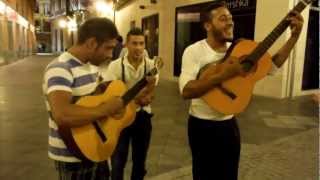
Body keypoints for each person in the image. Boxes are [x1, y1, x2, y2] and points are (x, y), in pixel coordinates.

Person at [178, 1, 304, 180]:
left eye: (230, 18)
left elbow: (272, 66)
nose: (230, 22)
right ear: (207, 25)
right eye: (223, 19)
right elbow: (187, 91)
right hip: (201, 126)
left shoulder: (240, 48)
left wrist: (294, 37)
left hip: (229, 126)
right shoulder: (194, 51)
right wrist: (225, 74)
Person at [42, 17, 125, 180]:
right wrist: (107, 108)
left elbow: (90, 102)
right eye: (108, 48)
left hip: (95, 147)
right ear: (92, 43)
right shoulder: (60, 68)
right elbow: (62, 114)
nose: (110, 55)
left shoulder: (91, 66)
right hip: (72, 155)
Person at [101, 27, 158, 180]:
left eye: (141, 43)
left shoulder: (152, 65)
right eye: (134, 43)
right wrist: (138, 98)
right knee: (118, 161)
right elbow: (112, 95)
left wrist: (149, 91)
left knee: (140, 161)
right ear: (126, 44)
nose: (138, 48)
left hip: (142, 117)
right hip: (120, 120)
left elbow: (150, 94)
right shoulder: (115, 66)